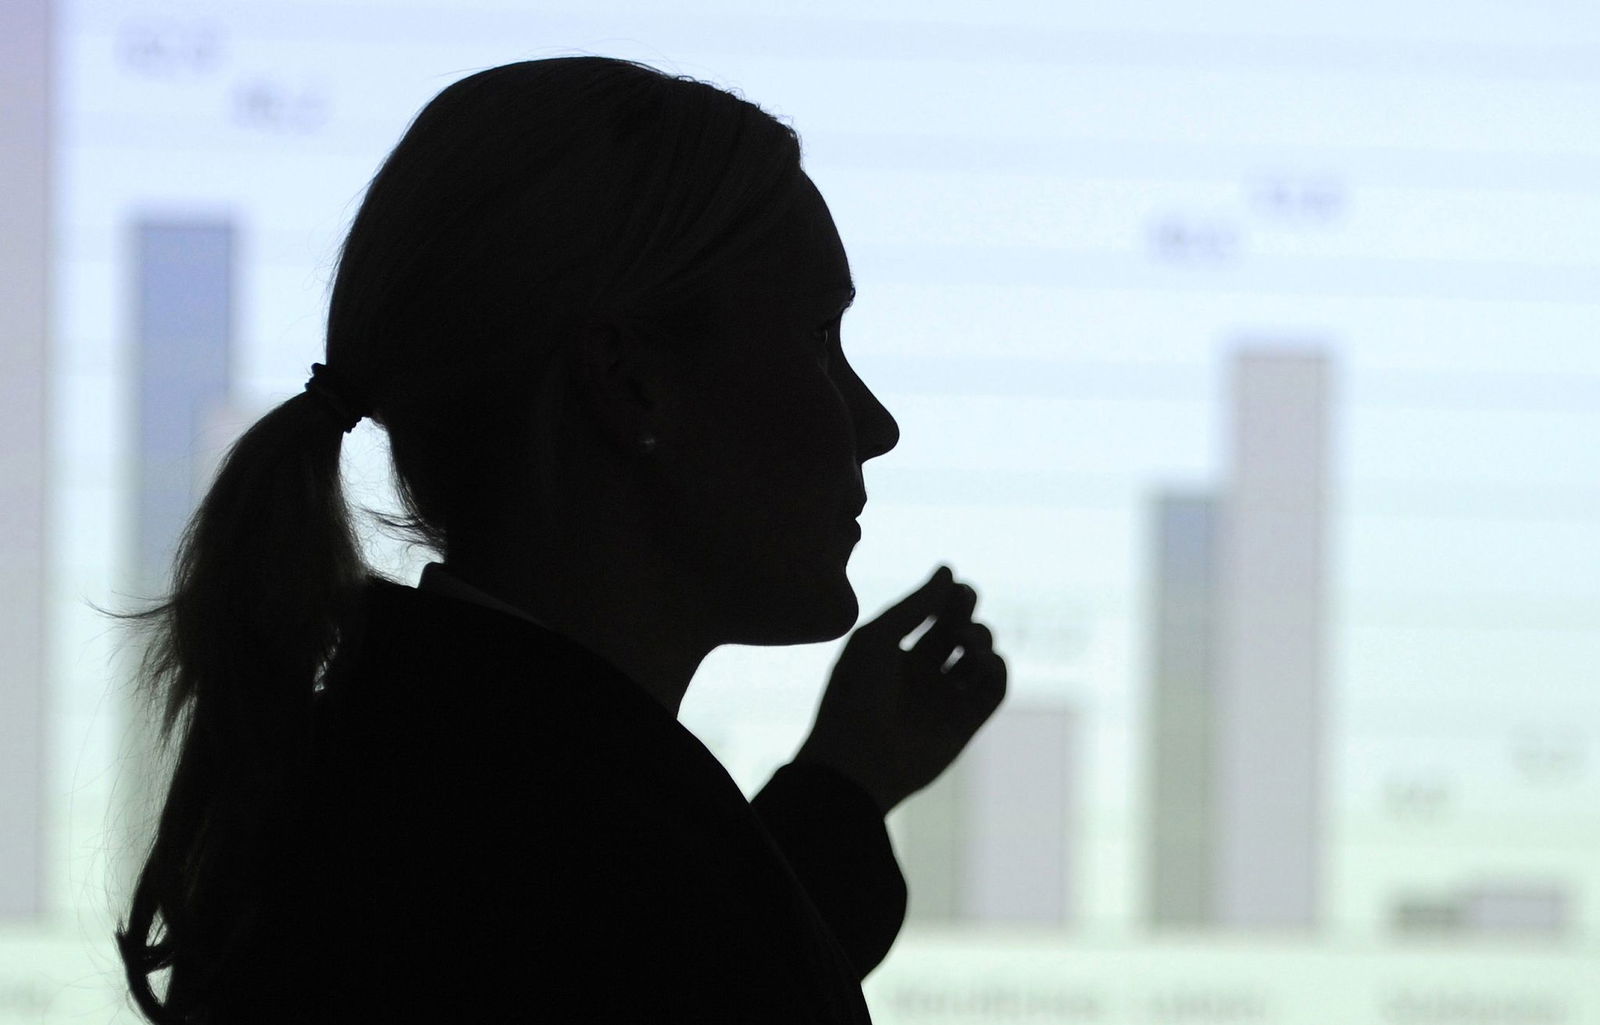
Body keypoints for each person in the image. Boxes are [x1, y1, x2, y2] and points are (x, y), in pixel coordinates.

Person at [101, 55, 1006, 1023]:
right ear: (630, 381)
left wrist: (843, 784)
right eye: (818, 337)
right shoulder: (533, 854)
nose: (873, 424)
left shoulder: (423, 794)